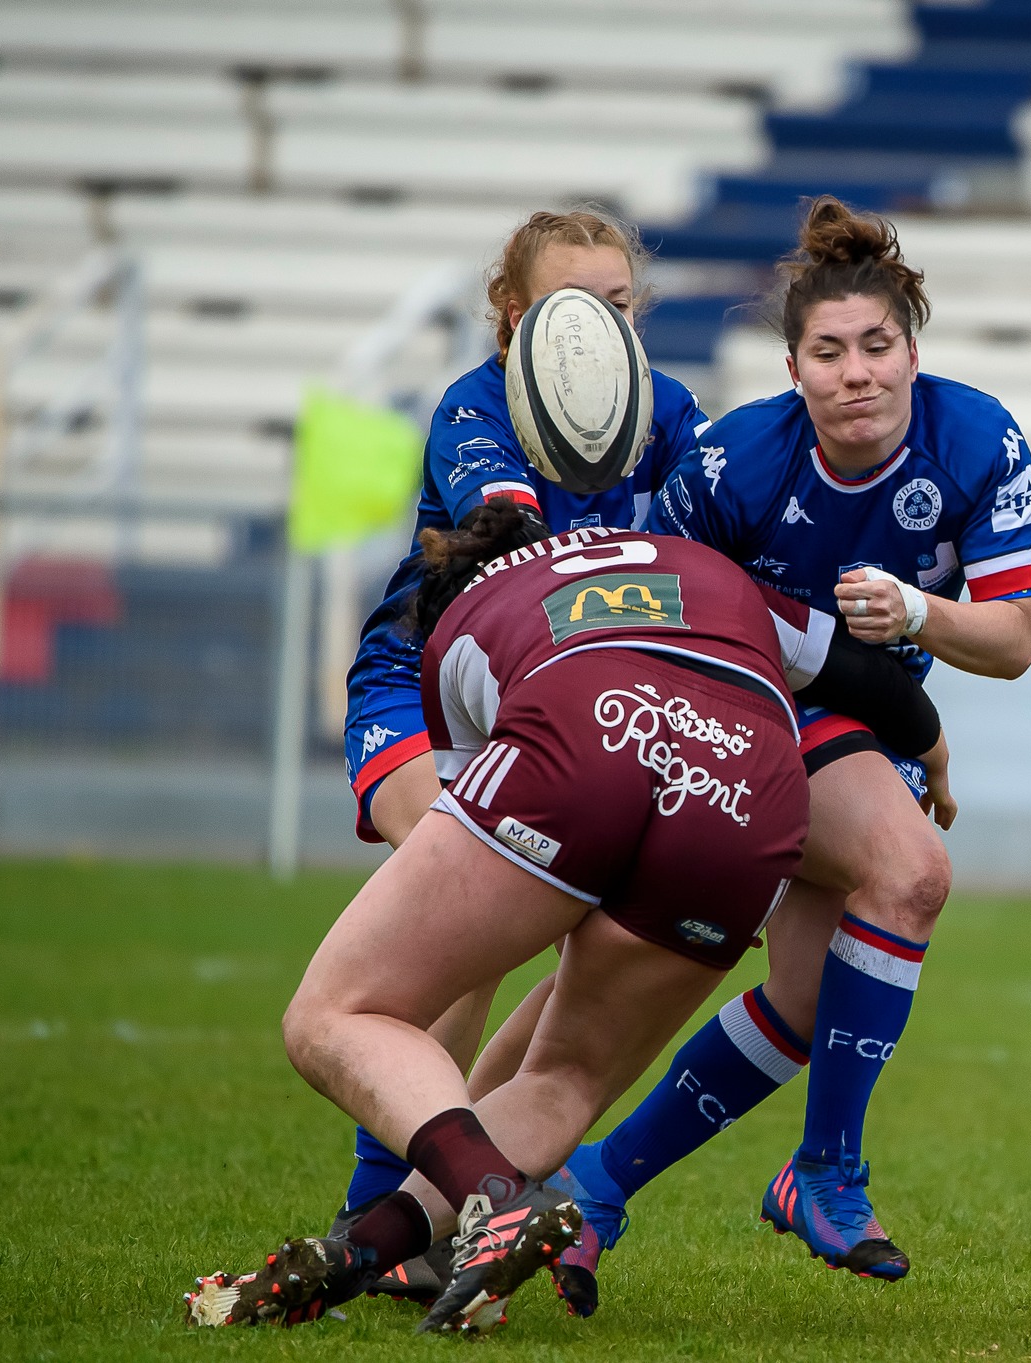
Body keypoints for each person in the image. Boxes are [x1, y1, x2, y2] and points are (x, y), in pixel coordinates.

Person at [190, 505, 948, 1334]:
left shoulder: (459, 623)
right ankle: (362, 1251)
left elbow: (467, 822)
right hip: (752, 794)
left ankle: (499, 1199)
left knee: (332, 1013)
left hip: (589, 723)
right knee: (568, 1079)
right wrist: (934, 755)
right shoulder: (693, 559)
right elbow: (871, 683)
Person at [527, 196, 1031, 1292]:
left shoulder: (979, 439)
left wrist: (916, 615)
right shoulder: (733, 464)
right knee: (909, 874)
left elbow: (1010, 643)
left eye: (876, 345)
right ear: (793, 367)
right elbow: (646, 613)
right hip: (743, 712)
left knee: (811, 1000)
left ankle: (591, 1188)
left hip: (869, 722)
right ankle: (826, 1169)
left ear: (912, 350)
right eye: (828, 351)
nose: (856, 372)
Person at [331, 208, 714, 1244]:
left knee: (582, 954)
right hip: (424, 684)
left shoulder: (672, 411)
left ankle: (447, 1199)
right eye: (569, 306)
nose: (599, 330)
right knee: (460, 928)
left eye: (619, 306)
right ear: (510, 317)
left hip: (575, 706)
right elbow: (514, 543)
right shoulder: (475, 405)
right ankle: (382, 1204)